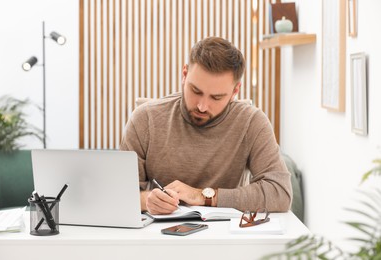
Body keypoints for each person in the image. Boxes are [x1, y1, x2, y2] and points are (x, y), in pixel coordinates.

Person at [120, 37, 292, 215]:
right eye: (196, 91)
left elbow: (280, 193)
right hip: (158, 237)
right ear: (184, 74)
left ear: (235, 91)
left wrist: (203, 196)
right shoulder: (145, 119)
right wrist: (148, 201)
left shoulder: (252, 123)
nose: (202, 106)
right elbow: (119, 195)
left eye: (216, 98)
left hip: (228, 236)